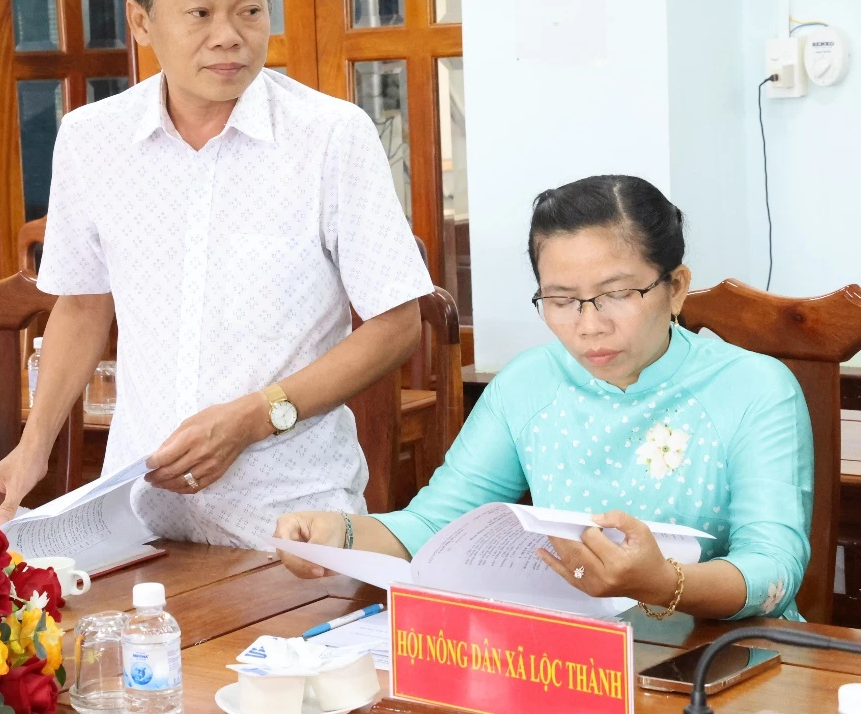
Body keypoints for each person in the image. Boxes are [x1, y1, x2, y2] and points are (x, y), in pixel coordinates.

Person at [0, 0, 432, 546]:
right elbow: (81, 306)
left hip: (289, 520)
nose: (229, 37)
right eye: (200, 13)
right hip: (137, 514)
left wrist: (255, 417)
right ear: (141, 22)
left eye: (249, 11)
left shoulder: (330, 136)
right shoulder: (91, 139)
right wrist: (32, 449)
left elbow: (397, 323)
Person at [276, 175, 814, 620]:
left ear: (675, 288)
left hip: (727, 657)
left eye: (617, 294)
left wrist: (664, 582)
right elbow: (436, 527)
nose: (589, 325)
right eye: (560, 300)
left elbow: (774, 568)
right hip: (573, 656)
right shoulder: (529, 384)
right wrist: (340, 532)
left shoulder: (754, 388)